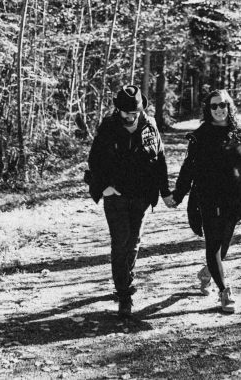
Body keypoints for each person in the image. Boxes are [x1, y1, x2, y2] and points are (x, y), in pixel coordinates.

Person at [169, 89, 241, 314]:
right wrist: (177, 195)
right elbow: (188, 169)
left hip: (234, 200)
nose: (219, 109)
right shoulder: (200, 136)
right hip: (208, 198)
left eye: (223, 105)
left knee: (223, 245)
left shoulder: (240, 132)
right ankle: (224, 292)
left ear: (229, 106)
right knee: (213, 244)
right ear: (208, 109)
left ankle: (207, 273)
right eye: (214, 106)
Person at [87, 84, 174, 318]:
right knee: (120, 241)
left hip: (142, 196)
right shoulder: (108, 127)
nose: (130, 117)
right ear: (119, 110)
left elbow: (161, 160)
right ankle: (124, 294)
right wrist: (102, 187)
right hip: (116, 196)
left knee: (134, 242)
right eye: (126, 113)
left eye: (134, 113)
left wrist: (165, 192)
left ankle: (125, 278)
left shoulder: (150, 126)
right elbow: (94, 161)